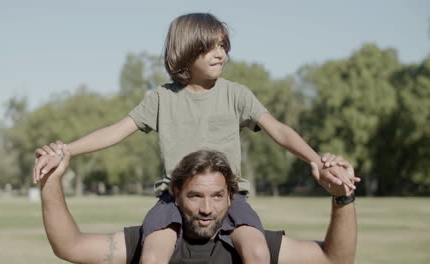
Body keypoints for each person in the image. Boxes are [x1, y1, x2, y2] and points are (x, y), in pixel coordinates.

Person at [34, 13, 359, 264]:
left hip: (230, 197)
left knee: (257, 251)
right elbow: (116, 131)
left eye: (223, 47)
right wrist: (67, 151)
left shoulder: (237, 94)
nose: (220, 55)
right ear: (185, 51)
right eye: (210, 47)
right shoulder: (162, 98)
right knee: (152, 254)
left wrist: (318, 160)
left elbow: (279, 131)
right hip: (172, 200)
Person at [40, 147, 357, 264]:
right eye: (195, 196)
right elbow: (70, 246)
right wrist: (51, 181)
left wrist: (342, 198)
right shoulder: (150, 240)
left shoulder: (249, 245)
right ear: (176, 194)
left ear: (231, 198)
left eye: (217, 196)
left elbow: (336, 259)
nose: (207, 208)